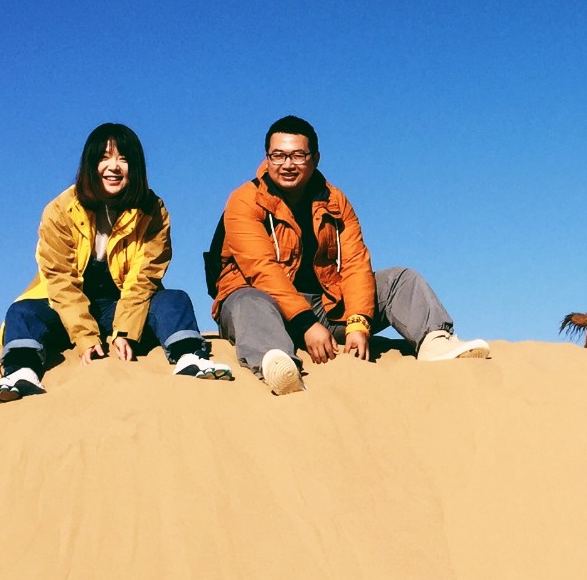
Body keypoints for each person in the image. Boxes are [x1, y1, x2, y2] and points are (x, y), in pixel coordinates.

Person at [209, 114, 490, 393]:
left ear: (315, 158)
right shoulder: (245, 199)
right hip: (259, 302)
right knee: (249, 300)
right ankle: (277, 364)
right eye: (278, 156)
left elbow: (356, 263)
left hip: (325, 307)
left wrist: (358, 322)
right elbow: (262, 269)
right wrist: (306, 324)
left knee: (400, 279)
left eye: (297, 156)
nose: (287, 165)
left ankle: (434, 341)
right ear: (267, 158)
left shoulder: (335, 200)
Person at [0, 123, 233, 405]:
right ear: (90, 163)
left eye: (123, 158)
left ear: (135, 167)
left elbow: (146, 276)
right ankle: (21, 373)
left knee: (174, 300)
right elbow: (59, 279)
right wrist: (85, 337)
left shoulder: (153, 210)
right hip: (69, 311)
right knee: (22, 311)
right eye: (104, 157)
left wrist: (125, 332)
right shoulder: (60, 210)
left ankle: (189, 357)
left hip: (126, 308)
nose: (113, 166)